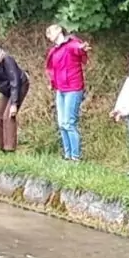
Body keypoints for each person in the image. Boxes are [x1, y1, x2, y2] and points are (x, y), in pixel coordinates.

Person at [44, 24, 92, 162]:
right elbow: (53, 69)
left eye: (50, 32)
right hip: (60, 89)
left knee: (69, 123)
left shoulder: (71, 44)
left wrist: (82, 48)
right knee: (62, 124)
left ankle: (75, 157)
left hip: (73, 88)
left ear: (59, 30)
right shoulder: (55, 50)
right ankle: (67, 155)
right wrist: (52, 83)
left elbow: (78, 48)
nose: (48, 36)